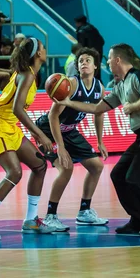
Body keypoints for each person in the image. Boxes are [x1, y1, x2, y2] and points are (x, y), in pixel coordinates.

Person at [56, 44, 140, 237]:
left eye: (109, 59)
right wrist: (68, 103)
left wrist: (132, 106)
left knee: (136, 178)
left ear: (118, 60)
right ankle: (138, 220)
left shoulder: (137, 75)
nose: (107, 62)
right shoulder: (119, 86)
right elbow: (96, 109)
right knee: (118, 174)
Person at [0, 37, 56, 240]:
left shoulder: (30, 74)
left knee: (40, 165)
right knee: (14, 172)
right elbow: (17, 109)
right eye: (42, 47)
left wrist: (35, 134)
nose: (45, 50)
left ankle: (31, 220)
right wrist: (41, 134)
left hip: (7, 123)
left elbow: (16, 112)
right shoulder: (27, 76)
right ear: (37, 54)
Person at [38, 47, 109, 231]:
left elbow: (99, 113)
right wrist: (60, 147)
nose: (83, 63)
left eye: (87, 60)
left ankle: (84, 212)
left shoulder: (99, 88)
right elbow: (53, 116)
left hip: (69, 130)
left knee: (97, 166)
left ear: (96, 66)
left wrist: (99, 141)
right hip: (47, 130)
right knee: (66, 168)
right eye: (81, 61)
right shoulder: (70, 84)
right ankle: (50, 216)